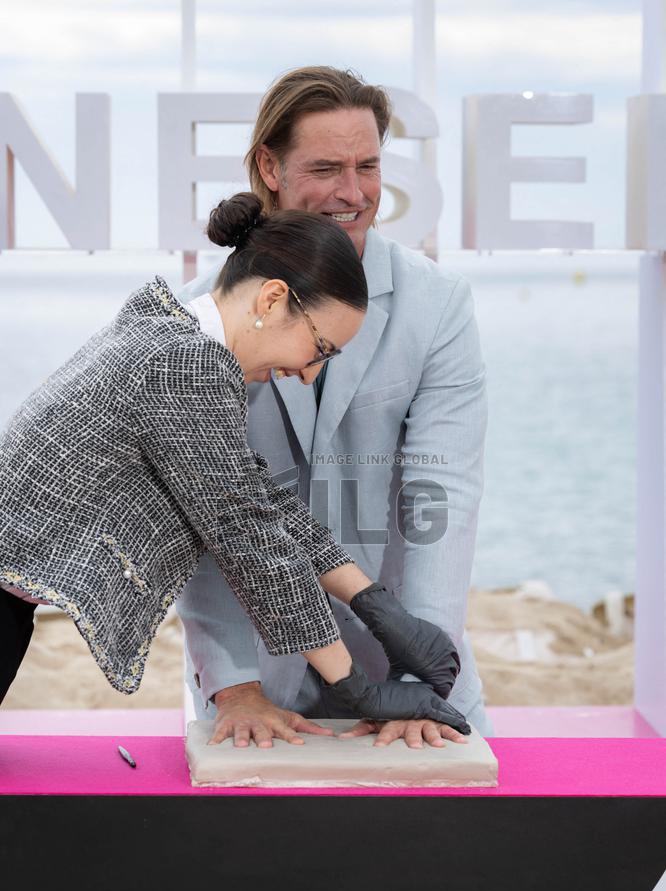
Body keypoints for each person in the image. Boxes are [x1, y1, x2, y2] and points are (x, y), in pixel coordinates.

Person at [0, 193, 470, 738]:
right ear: (272, 299)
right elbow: (248, 540)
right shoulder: (187, 364)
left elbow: (256, 497)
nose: (309, 374)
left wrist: (376, 606)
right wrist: (356, 687)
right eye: (320, 348)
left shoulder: (168, 334)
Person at [177, 66, 491, 749]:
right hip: (254, 685)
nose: (353, 193)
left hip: (404, 668)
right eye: (325, 168)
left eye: (368, 166)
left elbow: (441, 494)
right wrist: (234, 685)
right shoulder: (195, 320)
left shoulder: (438, 306)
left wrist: (421, 674)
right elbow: (204, 519)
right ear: (270, 166)